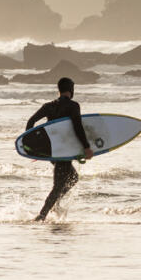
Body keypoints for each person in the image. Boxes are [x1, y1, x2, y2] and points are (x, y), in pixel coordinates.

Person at [26, 76, 93, 221]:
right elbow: (77, 127)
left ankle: (53, 205)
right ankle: (42, 215)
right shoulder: (73, 106)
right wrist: (86, 147)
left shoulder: (48, 106)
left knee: (73, 178)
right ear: (71, 90)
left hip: (52, 151)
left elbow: (31, 121)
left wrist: (29, 145)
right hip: (64, 150)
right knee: (58, 185)